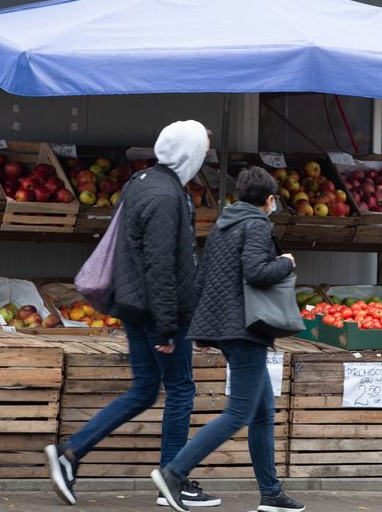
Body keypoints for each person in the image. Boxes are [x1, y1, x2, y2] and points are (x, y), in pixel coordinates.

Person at [46, 120, 219, 509]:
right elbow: (160, 265)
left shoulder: (142, 182)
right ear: (189, 154)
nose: (203, 159)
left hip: (133, 304)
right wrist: (167, 327)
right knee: (180, 390)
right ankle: (172, 478)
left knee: (143, 390)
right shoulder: (166, 197)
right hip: (157, 310)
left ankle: (70, 453)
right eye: (202, 152)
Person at [152, 166, 304, 512]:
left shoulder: (224, 224)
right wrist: (285, 262)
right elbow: (256, 272)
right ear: (269, 200)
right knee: (238, 412)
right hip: (246, 329)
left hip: (228, 327)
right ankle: (174, 472)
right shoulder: (257, 225)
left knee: (263, 411)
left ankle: (271, 493)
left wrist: (203, 330)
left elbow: (203, 277)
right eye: (273, 201)